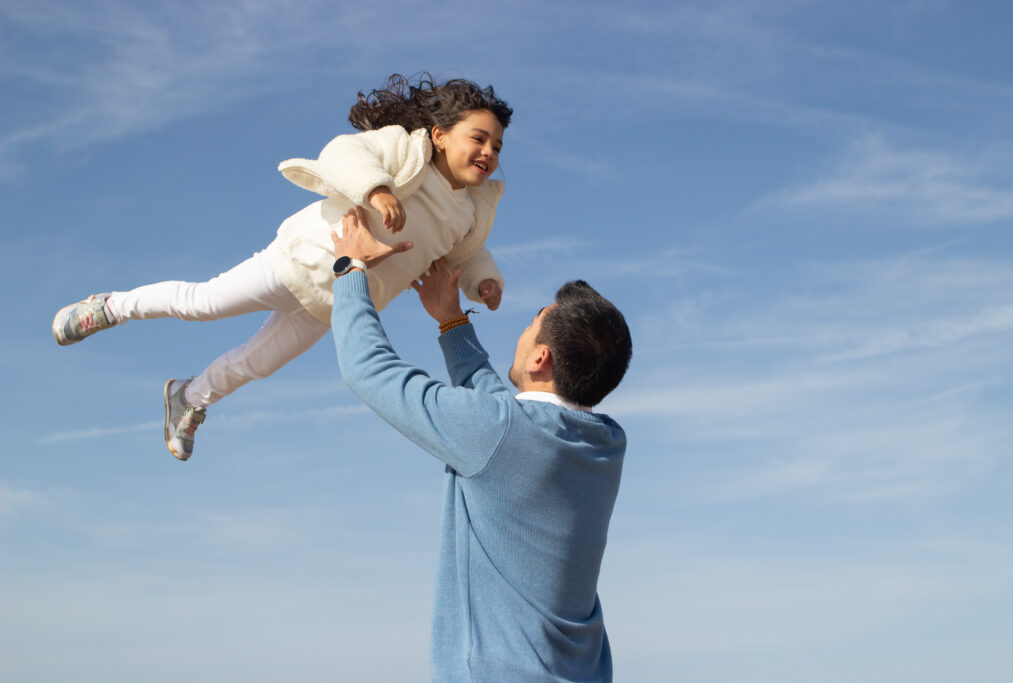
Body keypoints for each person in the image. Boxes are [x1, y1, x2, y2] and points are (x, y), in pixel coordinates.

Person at [50, 73, 513, 460]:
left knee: (257, 363)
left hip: (340, 301)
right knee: (202, 302)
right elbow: (343, 153)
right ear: (439, 135)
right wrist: (377, 190)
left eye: (496, 145)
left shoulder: (470, 212)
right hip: (303, 259)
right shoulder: (404, 149)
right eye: (478, 138)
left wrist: (484, 281)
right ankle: (111, 306)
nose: (488, 152)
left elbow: (468, 254)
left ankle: (187, 398)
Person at [330, 207, 632, 682]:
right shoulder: (607, 444)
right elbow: (508, 420)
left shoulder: (503, 432)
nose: (522, 333)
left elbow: (366, 369)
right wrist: (451, 321)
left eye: (531, 327)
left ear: (539, 357)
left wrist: (350, 270)